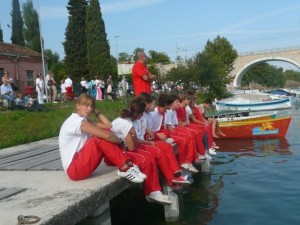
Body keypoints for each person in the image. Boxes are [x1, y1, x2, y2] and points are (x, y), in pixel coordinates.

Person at [58, 93, 145, 184]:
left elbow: (108, 125)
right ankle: (124, 168)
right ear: (78, 106)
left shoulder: (84, 119)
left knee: (105, 131)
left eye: (91, 106)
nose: (89, 109)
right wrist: (120, 141)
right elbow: (107, 136)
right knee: (99, 138)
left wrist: (95, 110)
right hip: (74, 170)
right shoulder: (76, 121)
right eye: (86, 105)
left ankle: (128, 165)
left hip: (82, 165)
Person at [110, 99, 172, 205]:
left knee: (150, 157)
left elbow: (132, 144)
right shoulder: (126, 123)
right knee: (145, 159)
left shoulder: (125, 120)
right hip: (116, 153)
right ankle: (150, 192)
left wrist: (134, 136)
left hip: (121, 149)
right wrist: (133, 134)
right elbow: (131, 147)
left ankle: (155, 190)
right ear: (139, 114)